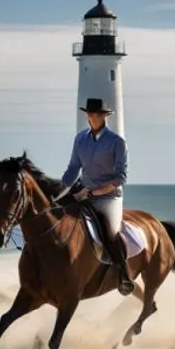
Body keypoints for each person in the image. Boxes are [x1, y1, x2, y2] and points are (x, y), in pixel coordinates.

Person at [59, 97, 134, 295]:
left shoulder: (117, 142)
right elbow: (73, 168)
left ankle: (124, 276)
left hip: (109, 197)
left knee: (110, 233)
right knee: (57, 213)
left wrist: (95, 192)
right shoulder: (80, 139)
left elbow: (121, 177)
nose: (93, 117)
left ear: (105, 116)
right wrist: (59, 191)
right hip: (83, 190)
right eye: (90, 114)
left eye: (97, 114)